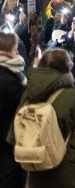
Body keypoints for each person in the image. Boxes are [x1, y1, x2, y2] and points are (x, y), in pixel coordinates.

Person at [16, 48, 75, 188]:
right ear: (66, 68)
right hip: (69, 169)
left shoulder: (29, 92)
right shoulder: (71, 94)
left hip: (37, 166)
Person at [0, 32, 26, 188]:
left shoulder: (9, 73)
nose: (17, 52)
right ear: (9, 50)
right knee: (12, 179)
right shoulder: (7, 78)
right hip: (7, 138)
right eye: (16, 48)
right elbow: (25, 101)